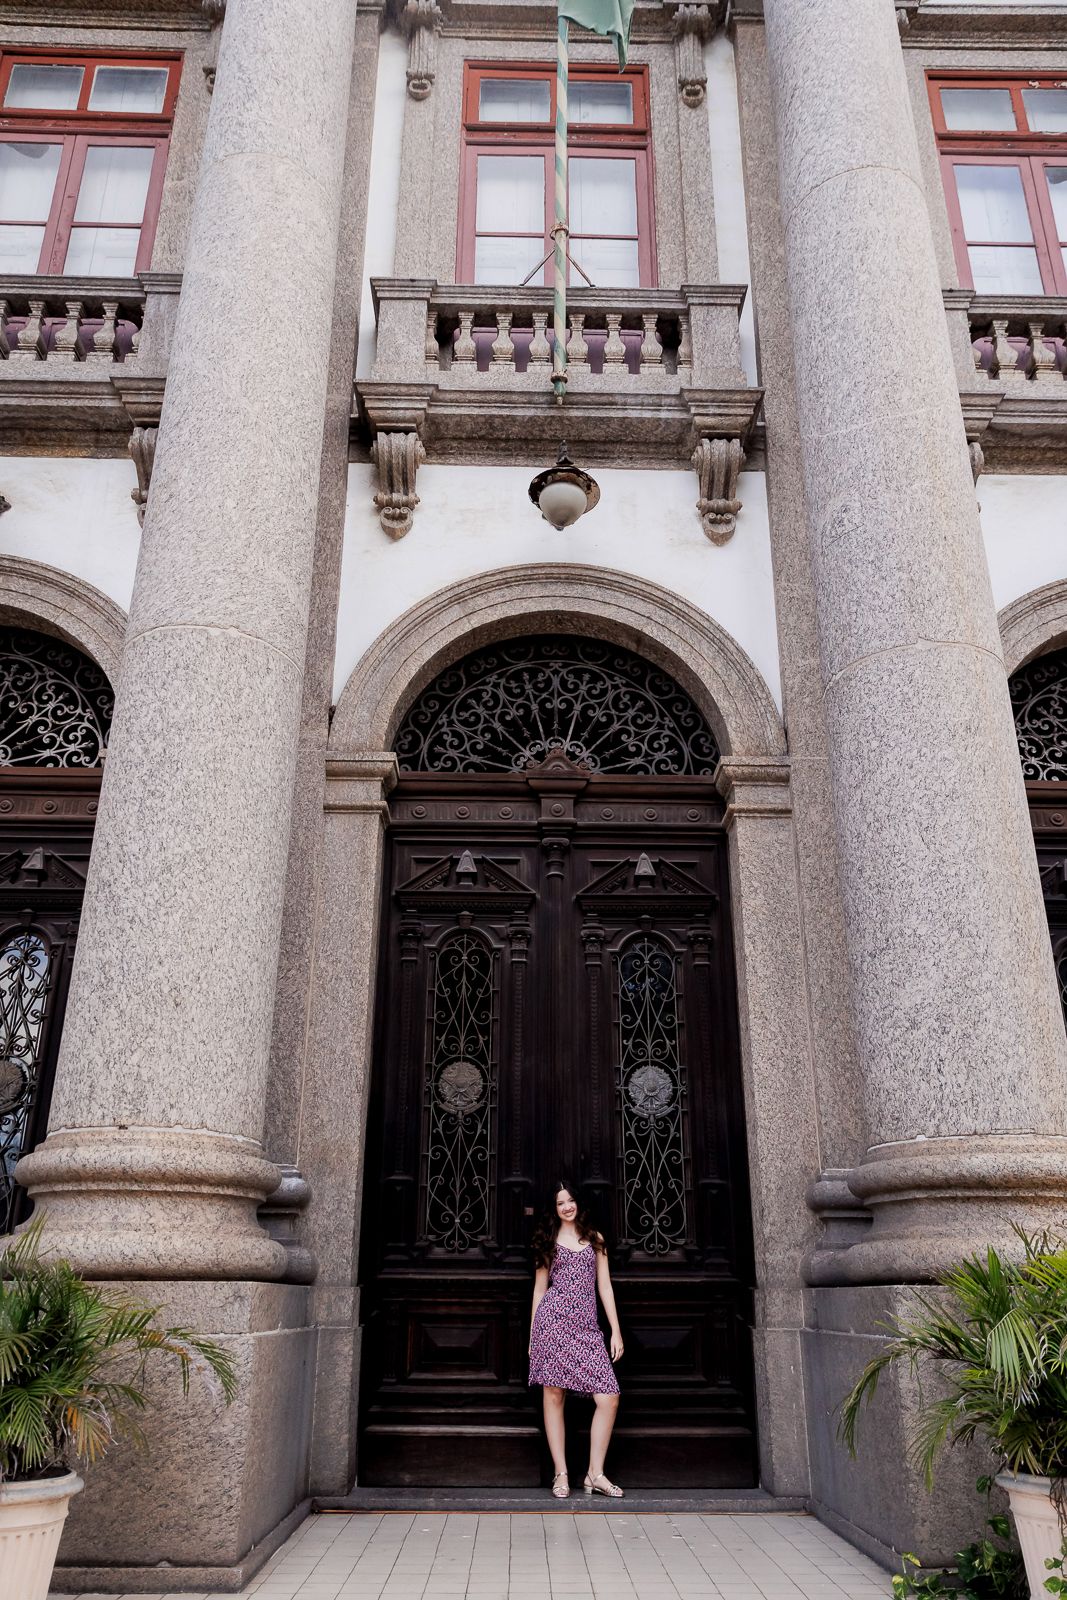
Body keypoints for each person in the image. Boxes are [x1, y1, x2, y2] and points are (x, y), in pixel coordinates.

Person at [528, 1180, 624, 1499]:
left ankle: (595, 1473)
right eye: (560, 1202)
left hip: (587, 1328)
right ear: (554, 1209)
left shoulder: (595, 1239)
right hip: (552, 1323)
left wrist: (615, 1330)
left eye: (570, 1200)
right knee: (554, 1394)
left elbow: (605, 1287)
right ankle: (561, 1472)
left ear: (578, 1203)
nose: (567, 1206)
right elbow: (540, 1290)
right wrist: (533, 1336)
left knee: (608, 1397)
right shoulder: (547, 1241)